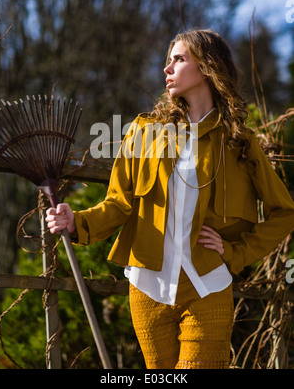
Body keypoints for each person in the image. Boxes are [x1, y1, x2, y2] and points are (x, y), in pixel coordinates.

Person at [46, 28, 294, 369]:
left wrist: (236, 252)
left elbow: (285, 212)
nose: (167, 68)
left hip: (208, 287)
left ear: (208, 67)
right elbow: (119, 203)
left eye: (178, 59)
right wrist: (78, 222)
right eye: (168, 60)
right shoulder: (144, 131)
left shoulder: (239, 142)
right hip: (147, 288)